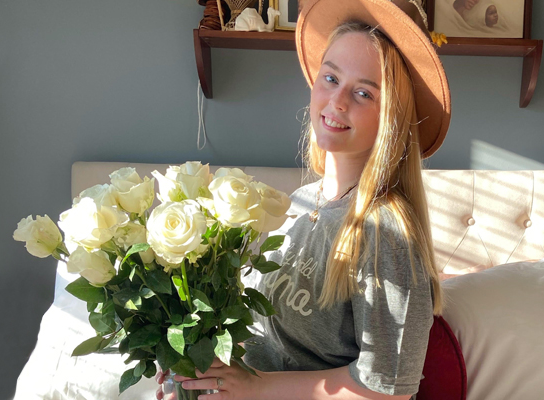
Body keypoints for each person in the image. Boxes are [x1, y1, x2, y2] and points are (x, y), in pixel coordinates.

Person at [158, 0, 451, 398]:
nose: (338, 101)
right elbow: (265, 338)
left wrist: (254, 389)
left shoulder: (386, 234)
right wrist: (198, 366)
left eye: (364, 93)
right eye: (331, 79)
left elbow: (387, 391)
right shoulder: (294, 204)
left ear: (392, 118)